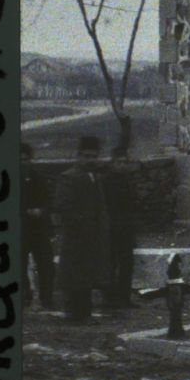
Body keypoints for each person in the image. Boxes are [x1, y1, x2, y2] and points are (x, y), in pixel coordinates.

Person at [54, 136, 111, 321]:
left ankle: (84, 313)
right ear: (78, 156)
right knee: (75, 276)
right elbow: (63, 206)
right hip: (77, 237)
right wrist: (80, 223)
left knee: (87, 276)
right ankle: (75, 314)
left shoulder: (95, 177)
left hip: (93, 236)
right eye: (86, 156)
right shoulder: (69, 177)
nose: (90, 160)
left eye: (94, 157)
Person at [102, 142, 141, 309]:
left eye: (125, 162)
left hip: (126, 228)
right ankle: (110, 298)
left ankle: (124, 297)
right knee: (111, 264)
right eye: (119, 162)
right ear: (112, 162)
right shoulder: (105, 181)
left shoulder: (128, 180)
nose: (122, 165)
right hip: (111, 228)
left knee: (127, 263)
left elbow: (133, 204)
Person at [21, 142, 55, 311]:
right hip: (20, 230)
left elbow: (49, 201)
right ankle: (24, 296)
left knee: (46, 264)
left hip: (39, 229)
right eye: (19, 159)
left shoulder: (39, 178)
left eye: (26, 159)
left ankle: (46, 298)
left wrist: (41, 211)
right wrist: (25, 212)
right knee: (18, 265)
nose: (23, 162)